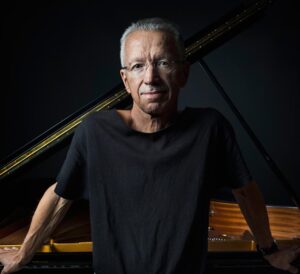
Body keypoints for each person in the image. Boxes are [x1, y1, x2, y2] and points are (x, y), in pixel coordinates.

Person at [0, 17, 299, 274]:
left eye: (163, 63)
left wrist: (269, 250)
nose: (151, 77)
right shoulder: (94, 131)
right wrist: (25, 252)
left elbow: (245, 191)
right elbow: (60, 195)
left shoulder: (210, 128)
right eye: (138, 66)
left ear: (183, 73)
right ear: (125, 80)